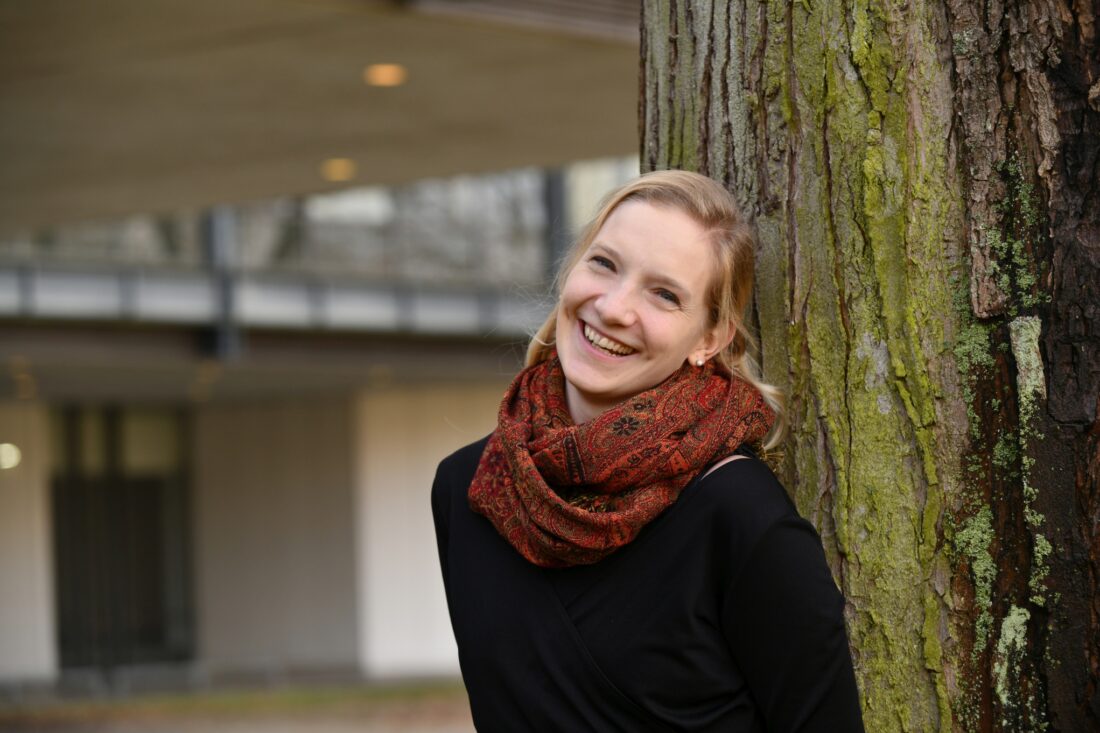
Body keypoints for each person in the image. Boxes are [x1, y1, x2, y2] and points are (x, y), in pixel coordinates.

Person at [431, 170, 865, 731]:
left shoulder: (739, 514)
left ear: (710, 338)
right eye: (604, 264)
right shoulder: (468, 487)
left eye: (664, 294)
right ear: (572, 271)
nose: (614, 308)